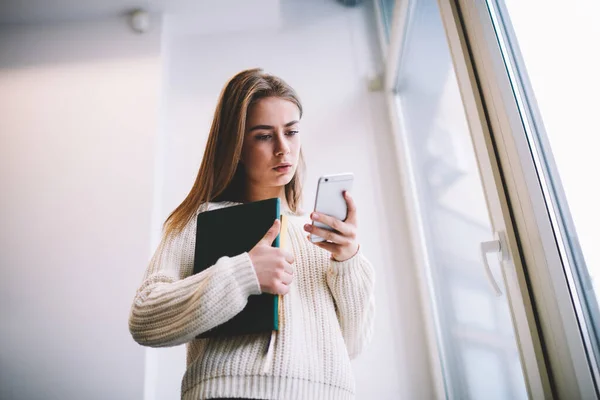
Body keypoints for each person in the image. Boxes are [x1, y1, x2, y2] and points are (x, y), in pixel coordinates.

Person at [128, 68, 376, 400]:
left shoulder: (320, 236)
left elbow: (353, 345)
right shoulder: (199, 222)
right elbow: (145, 319)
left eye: (291, 132)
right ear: (236, 147)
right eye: (263, 136)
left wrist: (348, 262)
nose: (283, 149)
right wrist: (243, 273)